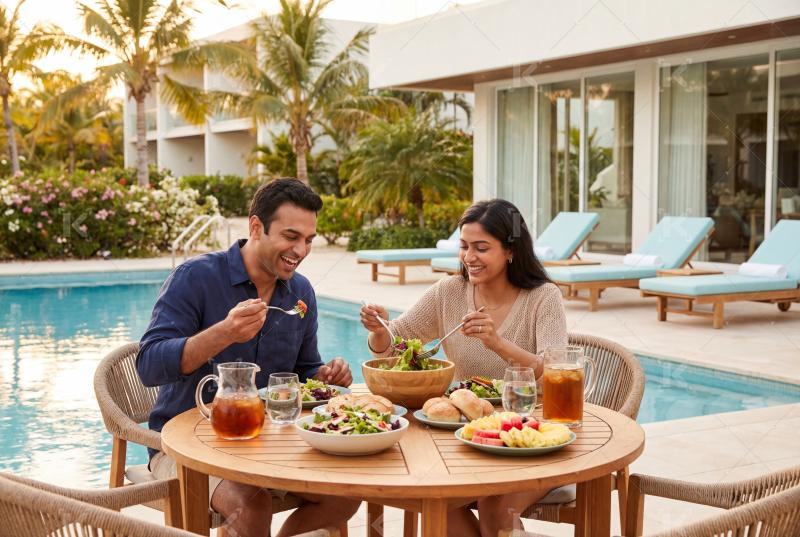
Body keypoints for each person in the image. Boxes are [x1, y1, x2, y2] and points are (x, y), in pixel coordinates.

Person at [138, 178, 360, 537]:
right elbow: (148, 365)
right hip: (187, 448)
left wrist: (325, 374)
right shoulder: (194, 278)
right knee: (251, 506)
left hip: (271, 446)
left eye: (308, 240)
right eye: (291, 236)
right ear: (256, 227)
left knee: (348, 492)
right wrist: (224, 332)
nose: (300, 250)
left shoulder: (300, 292)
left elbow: (305, 370)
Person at [361, 199, 568, 537]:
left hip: (532, 436)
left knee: (497, 505)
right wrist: (379, 329)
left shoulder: (544, 298)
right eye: (464, 246)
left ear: (511, 251)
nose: (469, 257)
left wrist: (497, 342)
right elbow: (399, 341)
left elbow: (556, 371)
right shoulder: (449, 292)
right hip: (468, 435)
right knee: (436, 498)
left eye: (481, 248)